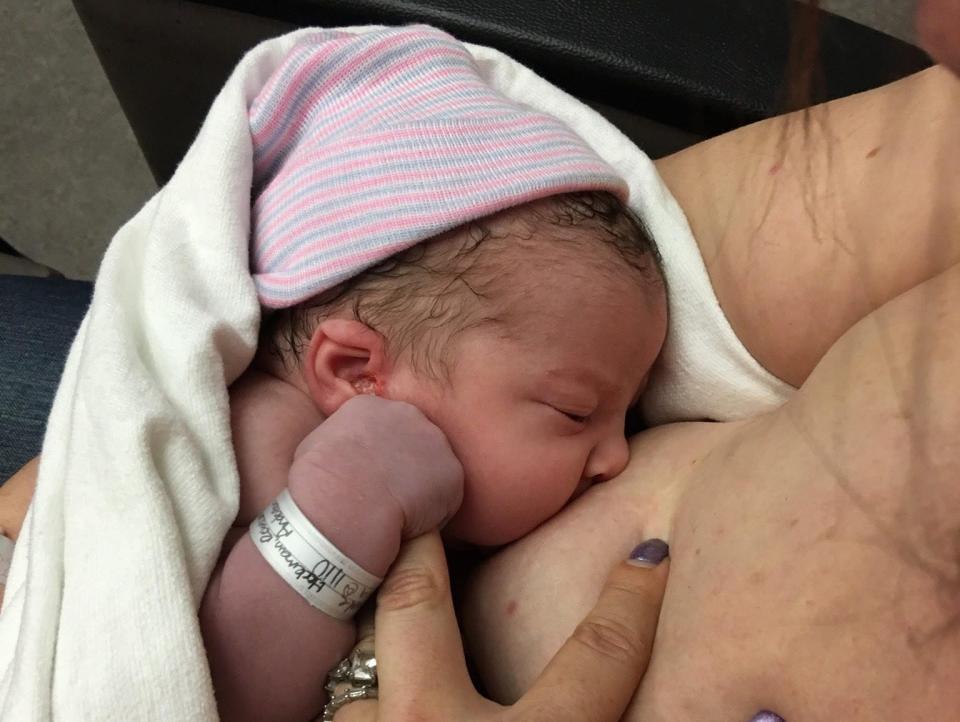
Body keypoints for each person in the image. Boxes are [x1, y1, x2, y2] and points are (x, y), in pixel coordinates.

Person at [3, 7, 959, 722]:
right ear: (357, 374)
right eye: (577, 409)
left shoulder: (440, 375)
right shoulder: (281, 444)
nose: (618, 454)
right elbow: (211, 675)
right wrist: (337, 516)